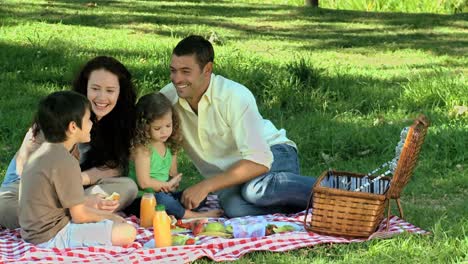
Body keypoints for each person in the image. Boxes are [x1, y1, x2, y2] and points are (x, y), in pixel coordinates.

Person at [160, 35, 317, 218]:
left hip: (273, 153)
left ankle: (337, 190)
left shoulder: (234, 96)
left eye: (186, 71)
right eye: (173, 70)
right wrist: (168, 178)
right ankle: (296, 202)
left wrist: (206, 185)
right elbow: (159, 139)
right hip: (232, 175)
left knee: (255, 191)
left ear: (207, 69)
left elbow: (260, 160)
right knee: (235, 208)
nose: (177, 79)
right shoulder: (168, 99)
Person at [0, 56, 138, 229]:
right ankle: (79, 213)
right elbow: (24, 167)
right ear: (84, 88)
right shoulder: (59, 113)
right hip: (27, 189)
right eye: (95, 88)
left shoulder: (121, 121)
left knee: (128, 187)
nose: (102, 97)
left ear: (120, 93)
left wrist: (76, 183)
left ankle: (73, 213)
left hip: (73, 191)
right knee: (5, 207)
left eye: (110, 91)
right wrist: (71, 193)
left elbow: (115, 167)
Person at [19, 91, 136, 248]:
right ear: (73, 127)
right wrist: (110, 218)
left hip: (32, 234)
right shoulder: (65, 161)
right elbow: (79, 215)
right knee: (127, 232)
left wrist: (93, 206)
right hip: (52, 236)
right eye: (88, 120)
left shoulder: (40, 154)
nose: (91, 124)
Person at [128, 92, 222, 219]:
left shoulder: (170, 145)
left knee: (196, 195)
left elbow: (172, 173)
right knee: (163, 201)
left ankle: (174, 211)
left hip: (163, 194)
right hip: (142, 200)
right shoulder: (143, 149)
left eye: (168, 125)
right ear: (144, 127)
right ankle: (194, 216)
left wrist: (173, 183)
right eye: (157, 128)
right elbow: (144, 183)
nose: (164, 131)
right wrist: (166, 186)